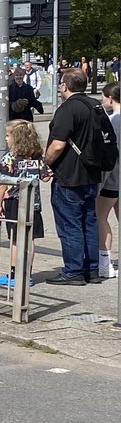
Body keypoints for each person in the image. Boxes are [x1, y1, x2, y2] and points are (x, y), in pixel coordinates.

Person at [44, 68, 107, 285]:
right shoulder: (95, 105)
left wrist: (46, 163)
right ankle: (92, 269)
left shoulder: (67, 109)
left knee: (70, 223)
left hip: (69, 175)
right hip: (92, 172)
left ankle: (73, 271)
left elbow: (58, 144)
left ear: (65, 86)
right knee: (89, 221)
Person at [0, 120, 51, 288]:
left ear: (16, 139)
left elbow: (2, 185)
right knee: (29, 239)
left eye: (7, 135)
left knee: (16, 241)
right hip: (33, 203)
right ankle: (28, 274)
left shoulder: (8, 159)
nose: (5, 138)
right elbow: (46, 177)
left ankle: (14, 275)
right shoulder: (36, 157)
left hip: (14, 202)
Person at [96, 82, 120, 279]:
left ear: (110, 99)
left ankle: (105, 263)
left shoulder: (111, 121)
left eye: (104, 97)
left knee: (101, 217)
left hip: (112, 178)